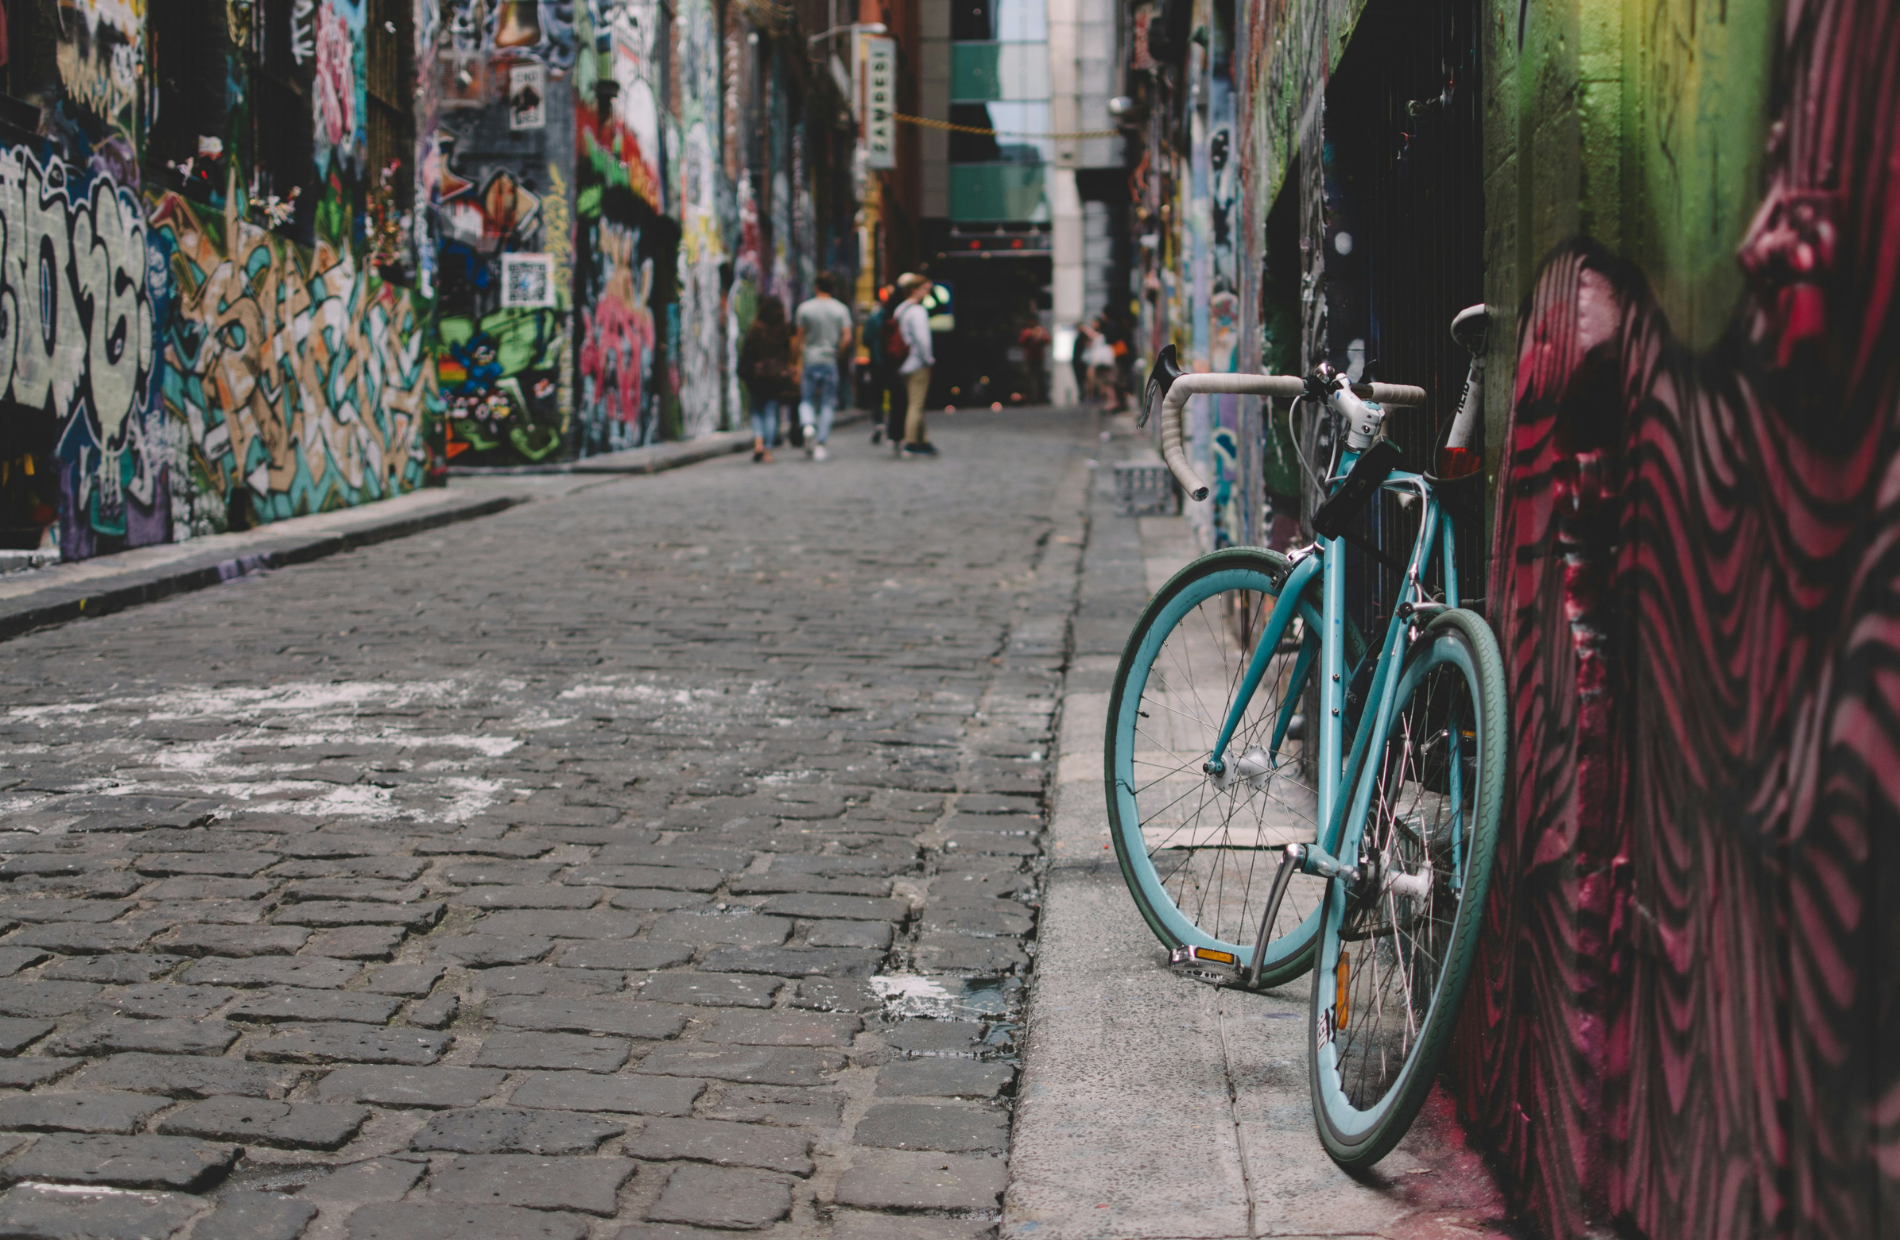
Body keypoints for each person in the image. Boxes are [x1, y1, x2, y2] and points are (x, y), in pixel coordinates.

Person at [792, 273, 854, 461]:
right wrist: (839, 352)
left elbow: (799, 337)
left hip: (810, 359)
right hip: (829, 360)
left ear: (817, 287)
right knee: (827, 403)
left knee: (806, 399)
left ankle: (808, 424)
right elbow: (847, 337)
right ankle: (820, 442)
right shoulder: (840, 309)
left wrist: (795, 360)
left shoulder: (805, 308)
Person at [738, 296, 794, 463]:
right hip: (775, 377)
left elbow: (747, 353)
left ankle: (758, 442)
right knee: (770, 413)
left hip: (757, 376)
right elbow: (787, 354)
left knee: (756, 411)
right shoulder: (782, 330)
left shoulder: (756, 329)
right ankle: (767, 450)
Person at [894, 273, 937, 457]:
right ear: (914, 290)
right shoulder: (918, 311)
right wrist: (929, 360)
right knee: (916, 404)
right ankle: (911, 442)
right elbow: (922, 340)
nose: (927, 293)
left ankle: (923, 440)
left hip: (903, 363)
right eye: (925, 289)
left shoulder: (901, 309)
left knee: (916, 403)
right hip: (917, 363)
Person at [1018, 319, 1051, 404]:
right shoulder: (1026, 332)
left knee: (1040, 378)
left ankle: (1041, 397)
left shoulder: (1040, 330)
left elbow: (1047, 340)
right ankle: (1030, 397)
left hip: (1039, 358)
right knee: (1030, 378)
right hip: (1030, 358)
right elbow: (1022, 342)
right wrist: (1031, 335)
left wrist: (1040, 336)